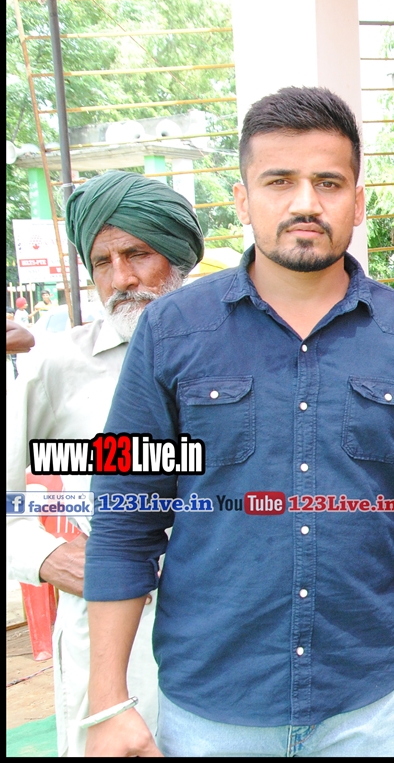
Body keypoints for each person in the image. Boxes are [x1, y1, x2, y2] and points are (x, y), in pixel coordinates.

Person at [83, 87, 394, 757]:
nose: (306, 203)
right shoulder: (170, 331)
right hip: (212, 711)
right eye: (279, 182)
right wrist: (106, 704)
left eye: (328, 182)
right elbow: (124, 518)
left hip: (366, 706)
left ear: (358, 201)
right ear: (242, 200)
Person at [5, 170, 201, 756]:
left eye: (138, 254)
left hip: (227, 630)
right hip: (111, 637)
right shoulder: (57, 366)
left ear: (179, 257)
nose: (121, 279)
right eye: (102, 262)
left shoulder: (240, 356)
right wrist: (45, 556)